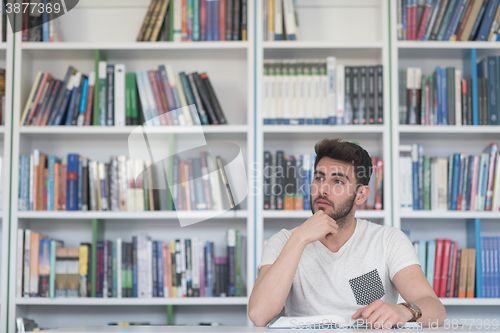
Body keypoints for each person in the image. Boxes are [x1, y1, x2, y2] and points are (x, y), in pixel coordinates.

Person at [248, 138, 446, 329]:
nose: (323, 189)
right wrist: (300, 239)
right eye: (319, 178)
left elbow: (435, 308)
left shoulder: (388, 240)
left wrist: (405, 311)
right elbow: (259, 315)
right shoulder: (283, 241)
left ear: (361, 195)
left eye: (338, 181)